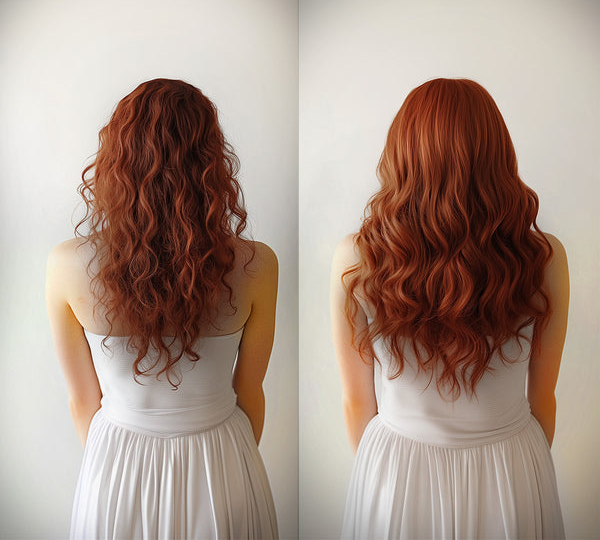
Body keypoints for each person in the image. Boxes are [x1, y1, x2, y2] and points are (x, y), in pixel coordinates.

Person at [331, 78, 568, 539]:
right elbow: (543, 399)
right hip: (512, 467)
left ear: (402, 153)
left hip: (396, 470)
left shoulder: (356, 258)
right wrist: (521, 472)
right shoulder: (545, 260)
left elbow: (357, 401)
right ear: (498, 154)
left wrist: (383, 476)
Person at [46, 78, 279, 539]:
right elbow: (250, 392)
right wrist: (227, 460)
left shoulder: (67, 265)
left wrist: (116, 461)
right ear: (211, 163)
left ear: (117, 160)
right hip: (224, 459)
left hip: (115, 464)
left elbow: (82, 402)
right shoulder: (257, 264)